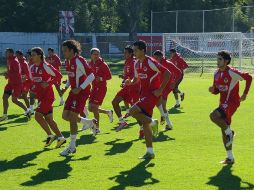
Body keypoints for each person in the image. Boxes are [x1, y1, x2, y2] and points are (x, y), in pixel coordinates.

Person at [125, 41, 170, 159]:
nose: (133, 53)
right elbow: (136, 78)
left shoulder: (150, 61)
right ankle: (150, 152)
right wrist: (131, 82)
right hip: (143, 95)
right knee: (145, 124)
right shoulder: (136, 64)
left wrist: (160, 90)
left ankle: (153, 122)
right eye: (133, 50)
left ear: (142, 50)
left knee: (132, 111)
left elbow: (167, 73)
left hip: (152, 95)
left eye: (135, 50)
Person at [209, 50, 252, 164]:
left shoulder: (232, 72)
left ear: (226, 61)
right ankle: (230, 157)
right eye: (217, 59)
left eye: (220, 59)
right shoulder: (216, 73)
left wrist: (245, 93)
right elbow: (217, 90)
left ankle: (230, 133)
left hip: (232, 102)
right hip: (223, 103)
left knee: (213, 116)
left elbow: (249, 77)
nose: (217, 61)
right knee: (224, 130)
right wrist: (213, 90)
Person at [60, 40, 97, 156]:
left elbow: (91, 76)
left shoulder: (79, 60)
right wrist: (66, 87)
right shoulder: (68, 61)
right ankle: (90, 123)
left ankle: (72, 147)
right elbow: (71, 76)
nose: (64, 53)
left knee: (72, 118)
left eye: (65, 51)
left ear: (72, 50)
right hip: (73, 91)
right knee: (65, 116)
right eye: (63, 51)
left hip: (81, 92)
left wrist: (80, 88)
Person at [30, 47, 66, 148]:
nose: (31, 57)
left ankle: (50, 135)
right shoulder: (32, 67)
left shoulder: (46, 66)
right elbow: (33, 82)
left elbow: (58, 76)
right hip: (40, 97)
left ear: (40, 55)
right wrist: (30, 90)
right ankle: (61, 138)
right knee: (49, 119)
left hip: (48, 97)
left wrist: (49, 82)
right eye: (31, 55)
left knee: (37, 116)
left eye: (33, 55)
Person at [111, 45, 143, 138]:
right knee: (114, 102)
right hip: (126, 88)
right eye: (124, 52)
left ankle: (143, 128)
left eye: (126, 53)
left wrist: (130, 81)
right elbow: (127, 76)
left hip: (134, 89)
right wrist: (123, 81)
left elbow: (136, 76)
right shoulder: (127, 62)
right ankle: (122, 122)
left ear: (131, 53)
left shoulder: (134, 62)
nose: (124, 54)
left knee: (135, 113)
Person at [153, 50, 182, 131]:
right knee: (160, 105)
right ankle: (164, 118)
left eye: (156, 58)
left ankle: (169, 124)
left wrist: (175, 83)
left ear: (161, 57)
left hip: (166, 87)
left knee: (162, 106)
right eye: (154, 58)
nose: (154, 59)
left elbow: (179, 72)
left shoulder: (168, 63)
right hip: (160, 87)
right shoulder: (157, 64)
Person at [86, 48, 113, 134]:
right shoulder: (90, 64)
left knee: (94, 107)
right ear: (91, 55)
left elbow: (109, 76)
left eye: (97, 54)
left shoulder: (103, 64)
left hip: (101, 89)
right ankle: (107, 112)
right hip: (93, 88)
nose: (96, 56)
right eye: (94, 54)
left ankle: (97, 128)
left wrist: (101, 78)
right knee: (90, 108)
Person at [0, 48, 31, 122]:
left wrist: (8, 74)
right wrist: (7, 75)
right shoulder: (9, 60)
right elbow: (11, 71)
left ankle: (27, 110)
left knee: (14, 100)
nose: (5, 54)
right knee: (4, 98)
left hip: (17, 84)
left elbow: (17, 73)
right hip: (10, 83)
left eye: (6, 53)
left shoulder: (15, 61)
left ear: (11, 53)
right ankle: (5, 115)